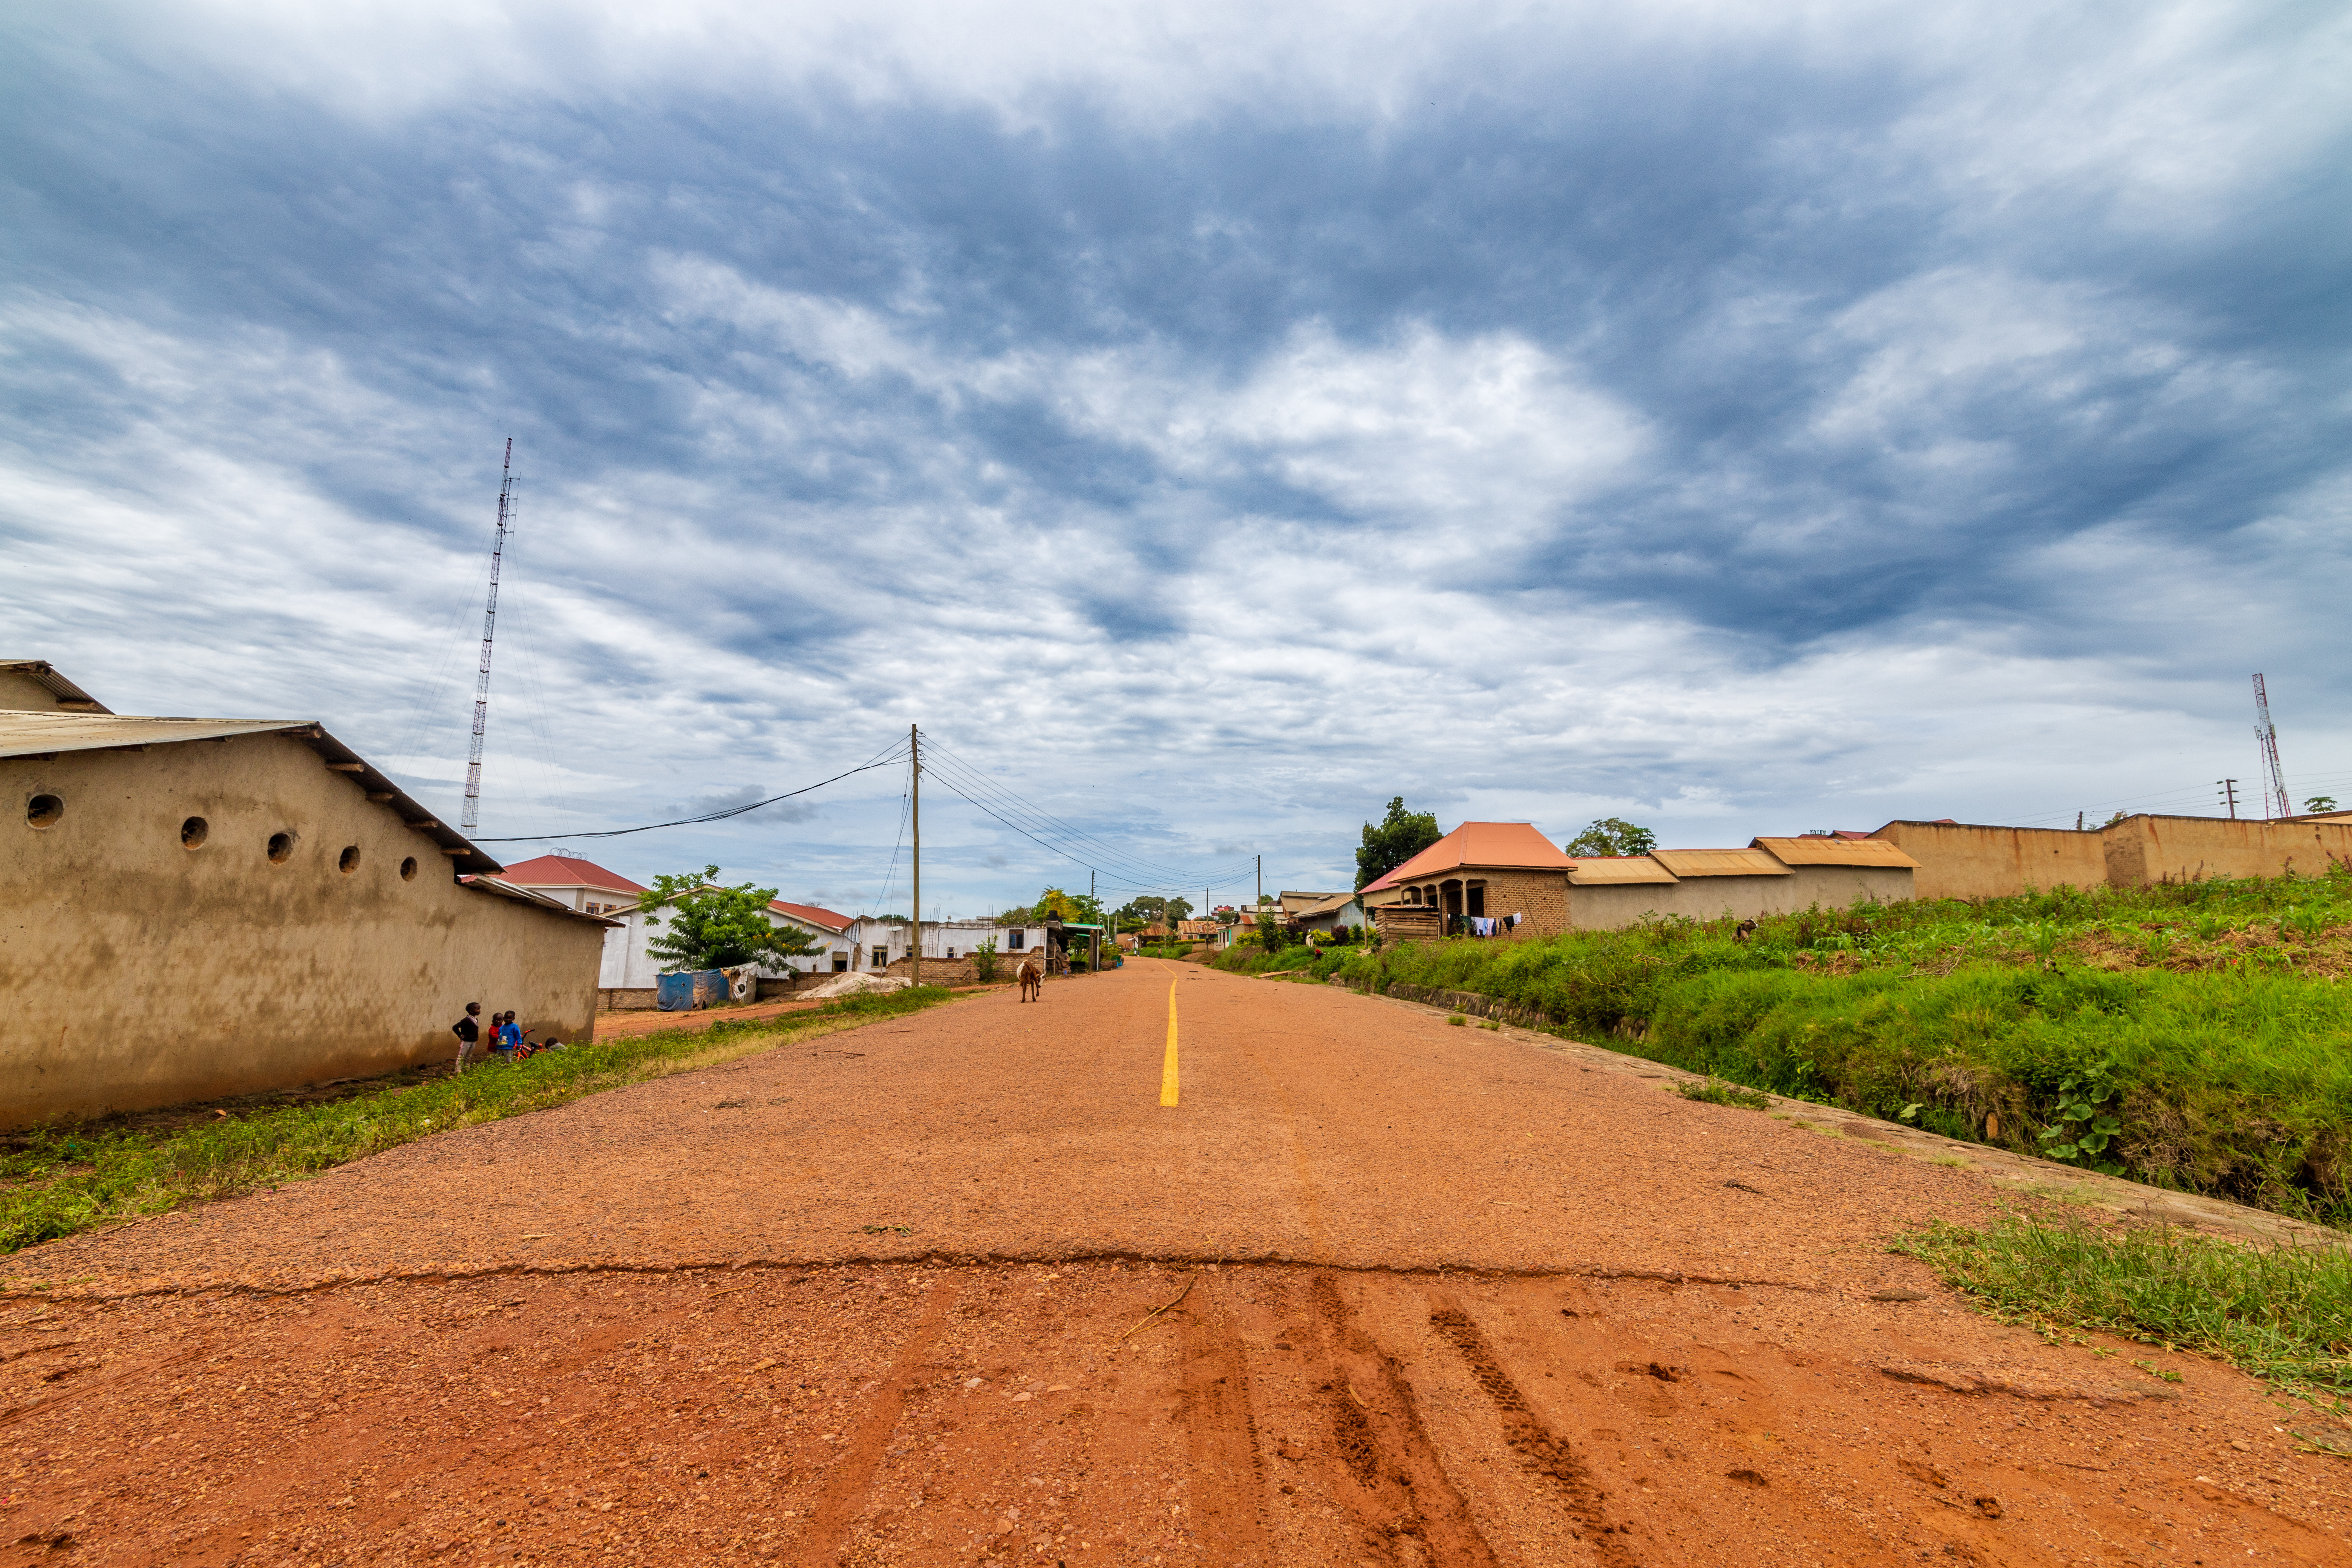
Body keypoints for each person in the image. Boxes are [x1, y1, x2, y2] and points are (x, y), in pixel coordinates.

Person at [450, 1002, 483, 1073]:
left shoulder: (475, 1020)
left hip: (473, 1041)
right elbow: (455, 1027)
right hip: (466, 1042)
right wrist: (461, 1036)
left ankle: (466, 1070)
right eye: (478, 1009)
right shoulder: (466, 1020)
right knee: (461, 1056)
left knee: (468, 1057)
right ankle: (458, 1071)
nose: (480, 1011)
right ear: (472, 1011)